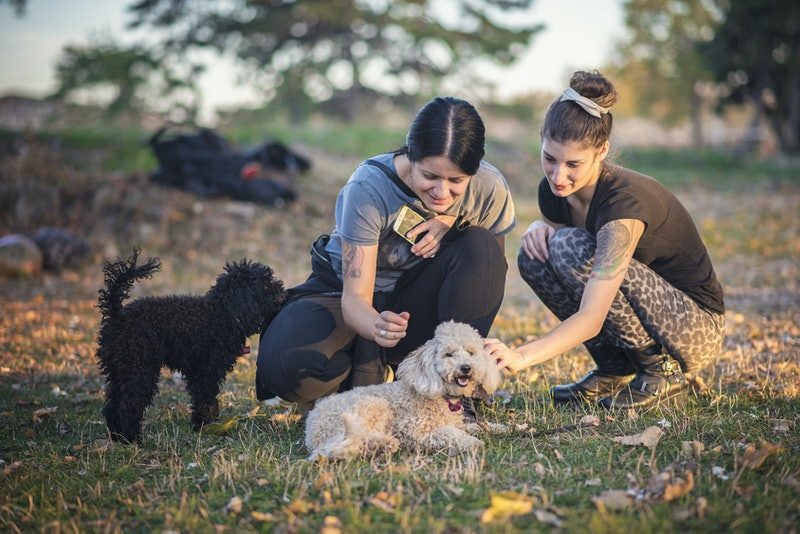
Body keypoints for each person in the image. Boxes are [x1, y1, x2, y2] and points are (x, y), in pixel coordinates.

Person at [486, 71, 725, 409]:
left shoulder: (622, 205)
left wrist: (522, 356)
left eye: (573, 164)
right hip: (648, 316)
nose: (558, 175)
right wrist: (544, 228)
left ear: (601, 151)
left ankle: (661, 371)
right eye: (549, 158)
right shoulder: (553, 192)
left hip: (694, 327)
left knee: (569, 248)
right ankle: (616, 366)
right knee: (535, 254)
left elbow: (593, 314)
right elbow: (567, 266)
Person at [256, 96, 516, 404]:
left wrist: (455, 224)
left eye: (456, 180)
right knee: (288, 373)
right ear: (411, 154)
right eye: (429, 176)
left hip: (415, 303)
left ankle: (451, 394)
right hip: (345, 298)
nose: (442, 192)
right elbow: (356, 299)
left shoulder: (490, 187)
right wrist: (376, 326)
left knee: (481, 245)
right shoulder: (368, 188)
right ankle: (371, 372)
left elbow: (488, 273)